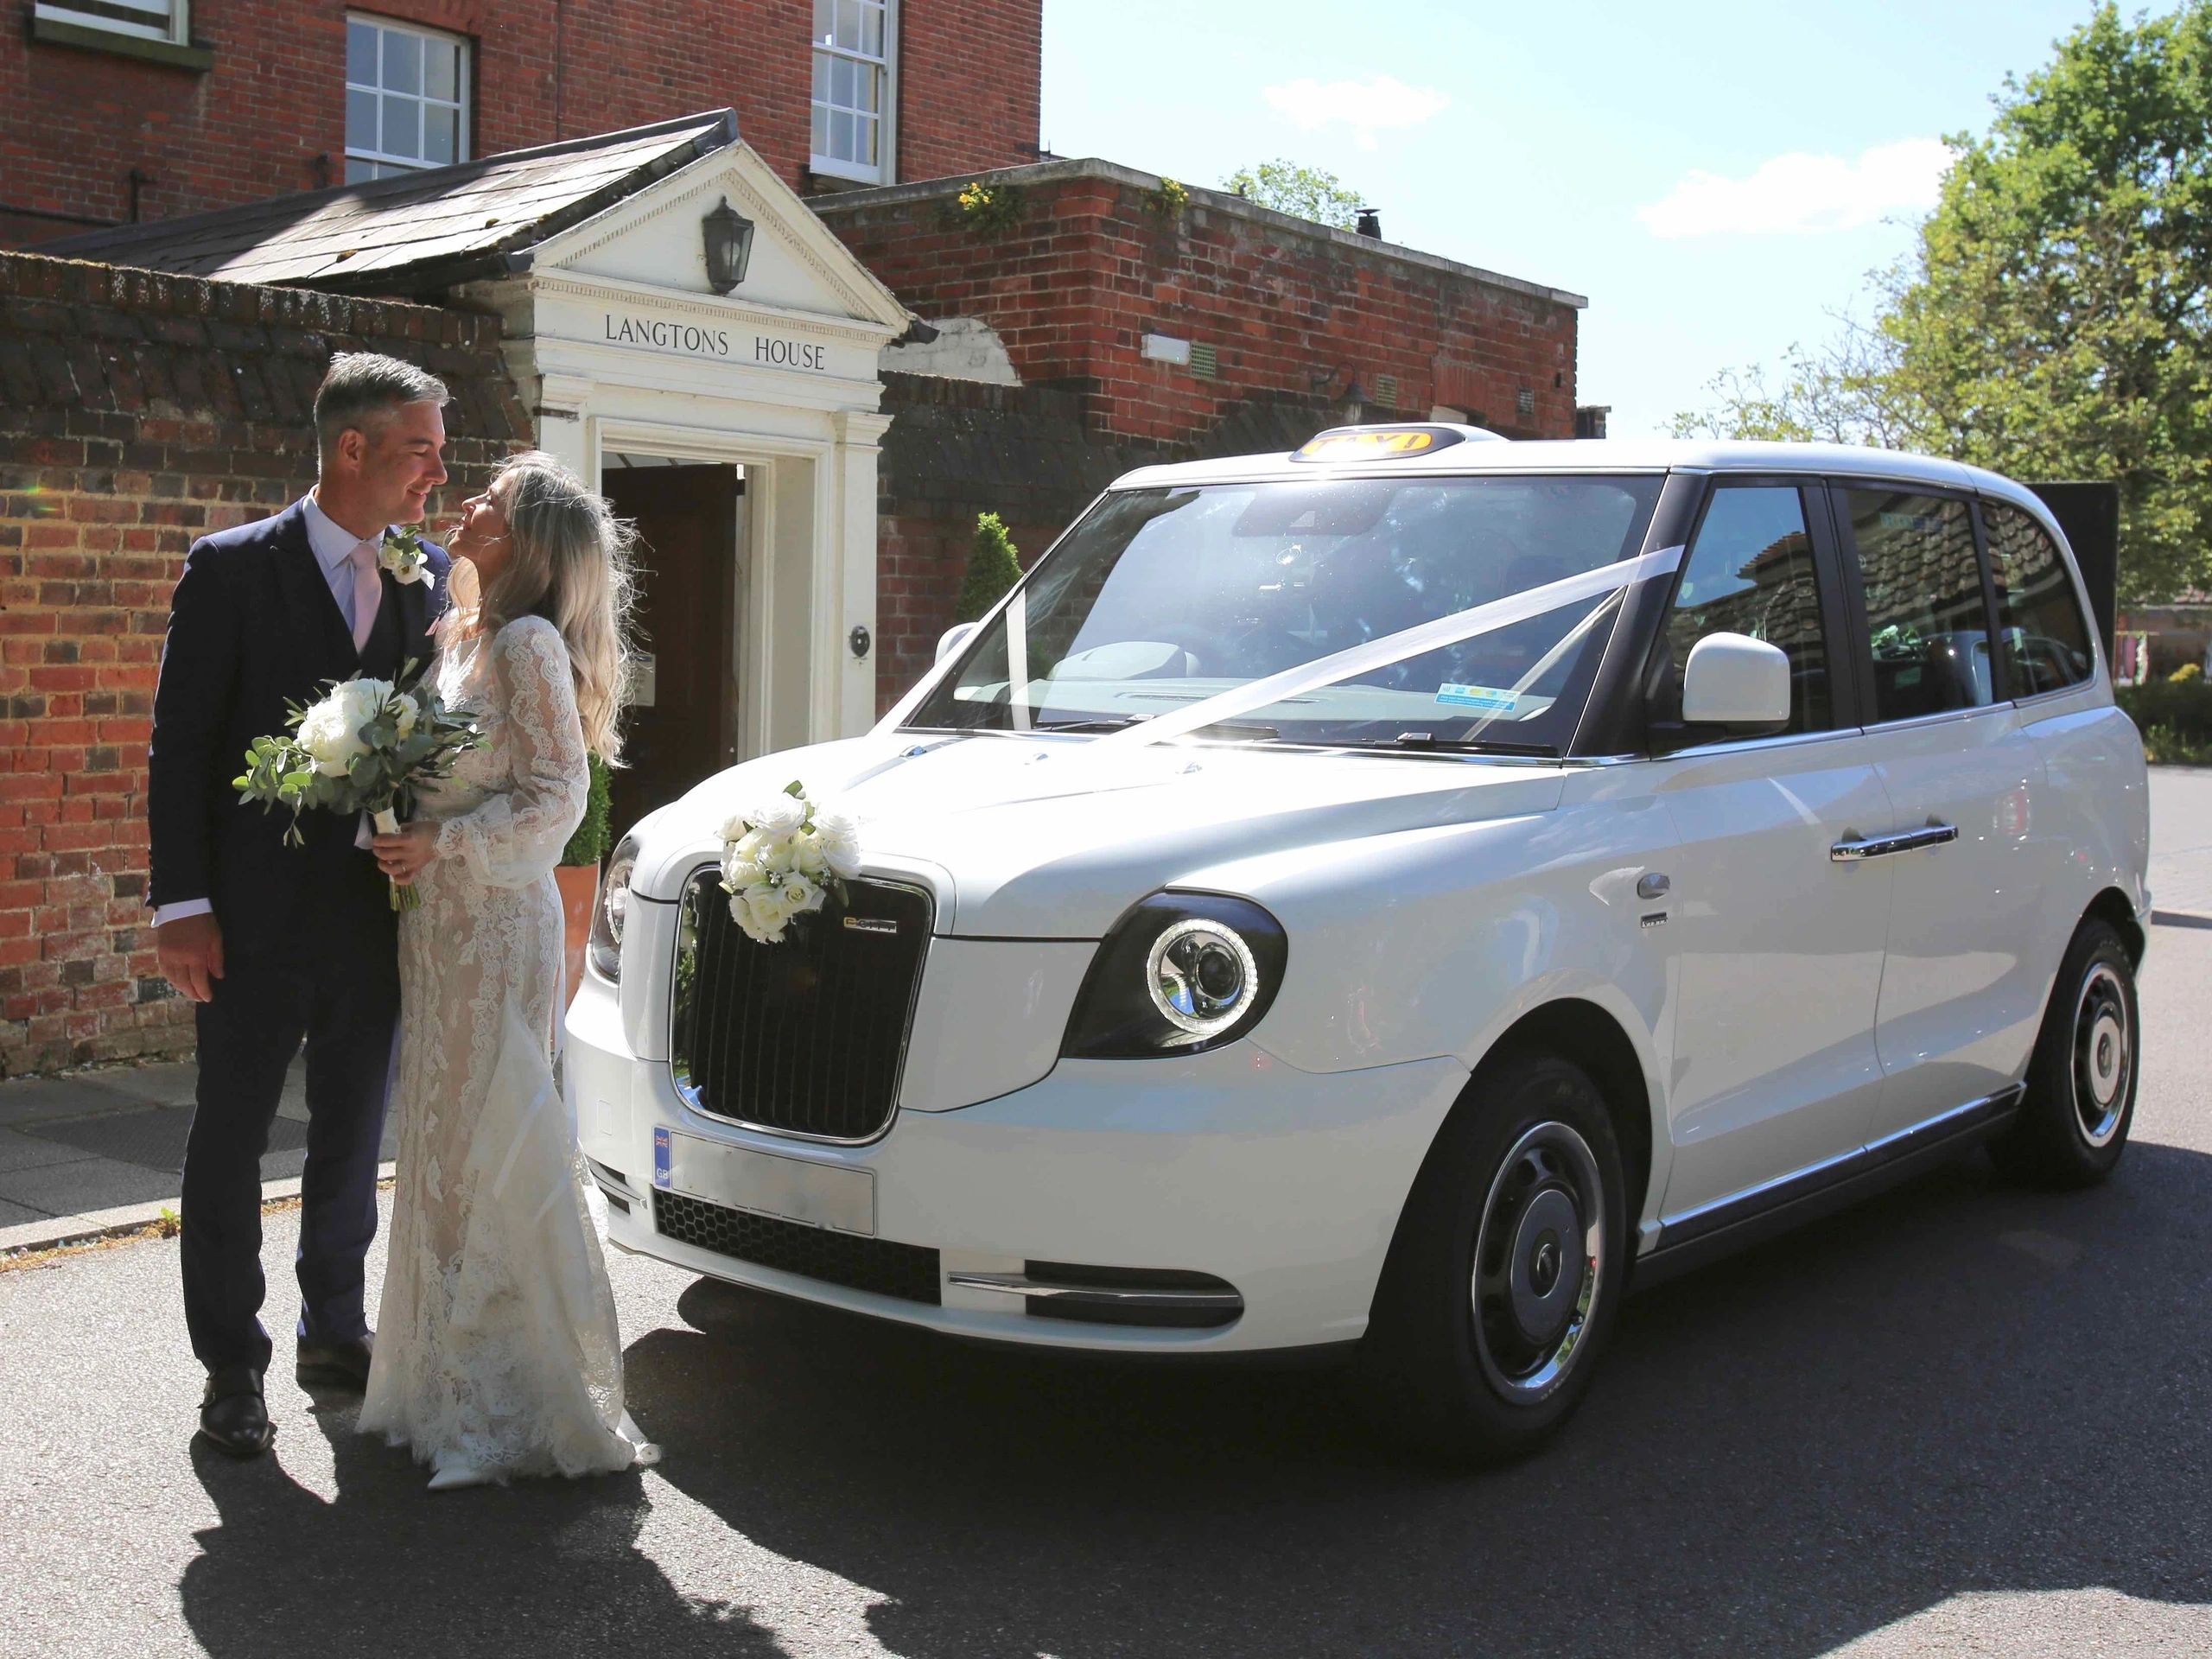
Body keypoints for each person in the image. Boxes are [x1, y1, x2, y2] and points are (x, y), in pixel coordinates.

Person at [150, 353, 454, 1458]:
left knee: (353, 1130)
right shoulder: (232, 568)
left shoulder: (431, 576)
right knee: (230, 1138)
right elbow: (182, 745)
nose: (436, 472)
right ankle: (231, 1365)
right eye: (419, 449)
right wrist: (182, 904)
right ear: (352, 448)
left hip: (375, 915)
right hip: (248, 916)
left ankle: (335, 1327)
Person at [359, 451, 654, 1490]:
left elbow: (559, 797)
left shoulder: (528, 643)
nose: (470, 502)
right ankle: (441, 1383)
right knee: (440, 1134)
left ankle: (515, 1400)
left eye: (494, 499)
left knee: (493, 1134)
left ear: (527, 542)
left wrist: (445, 843)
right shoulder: (463, 635)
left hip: (495, 922)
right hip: (438, 926)